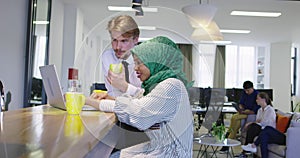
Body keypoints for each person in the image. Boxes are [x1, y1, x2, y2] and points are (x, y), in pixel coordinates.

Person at [86, 36, 194, 157]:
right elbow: (140, 101)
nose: (135, 68)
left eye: (139, 63)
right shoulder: (160, 85)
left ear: (156, 61)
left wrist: (89, 101)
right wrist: (109, 98)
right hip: (157, 148)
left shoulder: (171, 86)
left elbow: (138, 112)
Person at [101, 15, 141, 97]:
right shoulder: (108, 57)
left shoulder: (145, 60)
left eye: (124, 41)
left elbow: (148, 97)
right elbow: (113, 92)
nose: (118, 47)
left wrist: (124, 86)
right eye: (114, 40)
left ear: (135, 40)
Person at [220, 81, 260, 152]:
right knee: (235, 120)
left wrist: (245, 111)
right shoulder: (244, 93)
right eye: (245, 90)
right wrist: (240, 108)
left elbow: (254, 111)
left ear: (252, 88)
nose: (247, 92)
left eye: (248, 90)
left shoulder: (257, 95)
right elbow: (241, 103)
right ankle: (229, 138)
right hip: (243, 112)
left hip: (250, 113)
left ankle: (228, 134)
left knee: (235, 118)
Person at [237, 92, 276, 158]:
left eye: (258, 99)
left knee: (253, 126)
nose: (256, 100)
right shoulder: (259, 110)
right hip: (261, 128)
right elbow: (259, 121)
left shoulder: (270, 110)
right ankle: (247, 151)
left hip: (268, 130)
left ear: (263, 100)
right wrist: (257, 122)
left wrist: (254, 122)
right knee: (253, 127)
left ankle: (246, 151)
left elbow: (265, 123)